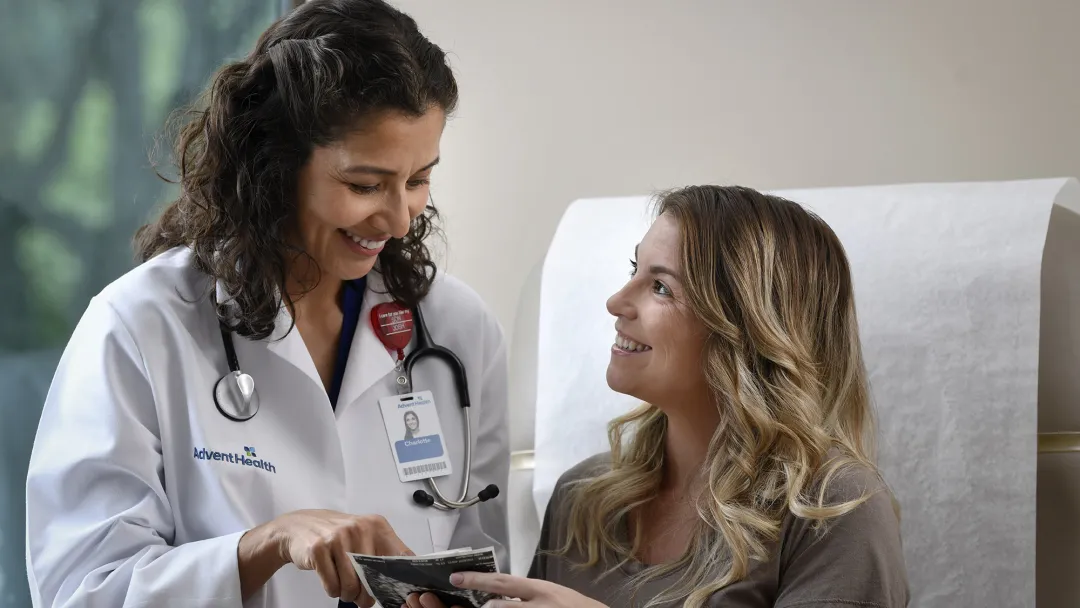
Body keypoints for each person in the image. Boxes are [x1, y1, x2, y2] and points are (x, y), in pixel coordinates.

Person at [24, 1, 510, 607]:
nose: (397, 217)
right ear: (276, 165)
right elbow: (81, 591)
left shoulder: (458, 329)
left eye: (418, 180)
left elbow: (488, 580)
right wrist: (263, 545)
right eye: (364, 185)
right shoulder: (141, 326)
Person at [408, 185, 908, 608]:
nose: (617, 301)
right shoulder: (583, 499)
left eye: (662, 288)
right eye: (634, 270)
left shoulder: (833, 510)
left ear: (747, 329)